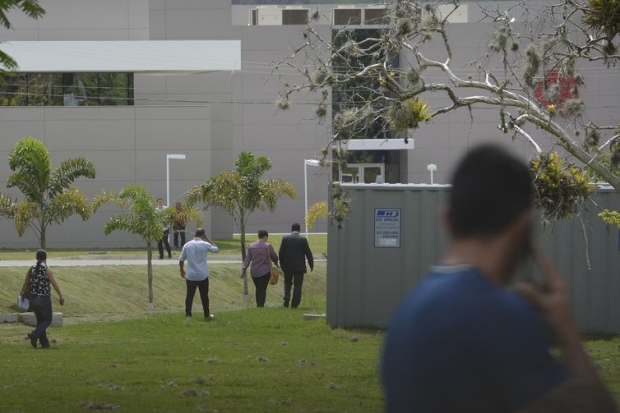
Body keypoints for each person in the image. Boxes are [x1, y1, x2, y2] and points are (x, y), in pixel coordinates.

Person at [381, 144, 616, 413]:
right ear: (524, 225)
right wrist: (566, 332)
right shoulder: (501, 316)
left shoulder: (406, 313)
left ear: (446, 219)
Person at [20, 250, 65, 349]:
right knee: (48, 320)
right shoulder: (47, 270)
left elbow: (26, 283)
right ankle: (34, 334)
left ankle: (44, 343)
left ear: (37, 258)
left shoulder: (31, 269)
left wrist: (22, 294)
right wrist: (61, 295)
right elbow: (54, 283)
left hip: (32, 299)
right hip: (43, 298)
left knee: (41, 321)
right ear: (45, 258)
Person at [179, 228, 219, 320]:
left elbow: (181, 259)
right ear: (203, 235)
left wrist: (181, 270)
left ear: (194, 235)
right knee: (204, 296)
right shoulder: (205, 244)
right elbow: (216, 249)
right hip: (202, 275)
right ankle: (206, 315)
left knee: (189, 296)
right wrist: (208, 239)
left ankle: (188, 315)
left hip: (191, 275)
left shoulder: (187, 245)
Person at [278, 222, 313, 308]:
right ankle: (294, 304)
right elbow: (308, 254)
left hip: (288, 266)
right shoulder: (303, 240)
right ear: (299, 229)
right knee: (298, 286)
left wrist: (282, 265)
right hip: (299, 267)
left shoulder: (285, 239)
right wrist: (311, 265)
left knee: (287, 282)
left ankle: (287, 296)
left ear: (291, 229)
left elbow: (281, 253)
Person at [241, 229, 279, 307]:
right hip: (265, 271)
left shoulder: (251, 246)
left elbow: (247, 260)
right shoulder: (267, 246)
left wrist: (243, 269)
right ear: (265, 237)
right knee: (262, 289)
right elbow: (274, 257)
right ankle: (260, 305)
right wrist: (276, 262)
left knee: (258, 288)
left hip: (254, 272)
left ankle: (259, 304)